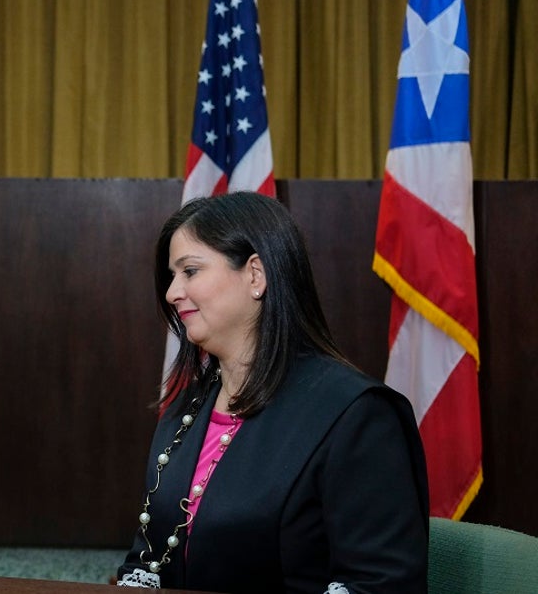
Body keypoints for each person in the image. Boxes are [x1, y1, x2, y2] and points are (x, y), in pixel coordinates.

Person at [117, 192, 428, 593]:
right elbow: (147, 557)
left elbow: (382, 586)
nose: (172, 293)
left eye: (189, 271)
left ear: (256, 275)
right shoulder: (186, 408)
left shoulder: (357, 416)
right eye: (172, 276)